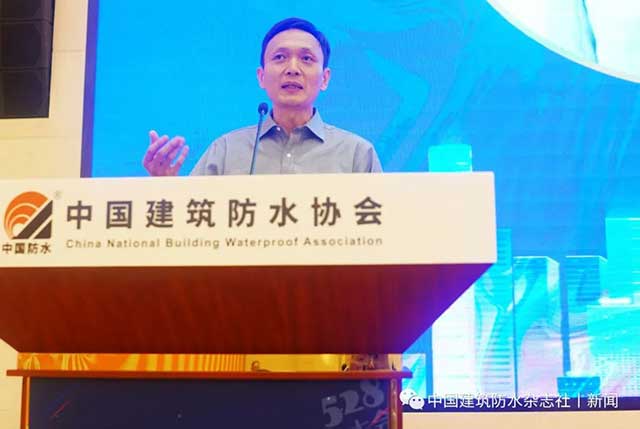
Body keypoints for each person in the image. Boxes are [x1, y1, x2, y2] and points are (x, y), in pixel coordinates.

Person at [142, 17, 382, 176]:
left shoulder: (357, 154)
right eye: (280, 57)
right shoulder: (225, 151)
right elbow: (191, 224)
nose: (292, 68)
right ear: (261, 76)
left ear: (325, 78)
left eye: (307, 59)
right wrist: (166, 187)